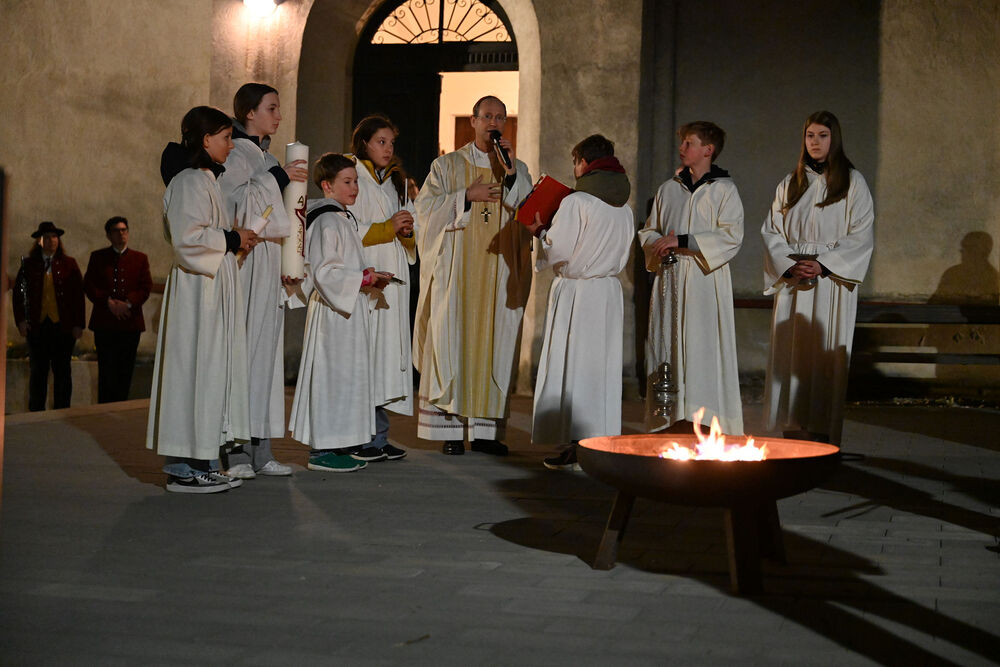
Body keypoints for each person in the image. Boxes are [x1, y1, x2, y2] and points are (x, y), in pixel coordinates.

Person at [413, 95, 533, 456]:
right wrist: (466, 195)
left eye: (500, 117)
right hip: (456, 272)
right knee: (452, 342)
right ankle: (451, 431)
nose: (494, 123)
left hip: (497, 273)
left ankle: (485, 434)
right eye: (488, 116)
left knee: (494, 345)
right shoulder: (446, 165)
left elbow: (528, 209)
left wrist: (511, 177)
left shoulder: (516, 167)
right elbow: (425, 212)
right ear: (474, 121)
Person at [148, 106, 257, 494]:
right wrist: (231, 238)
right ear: (206, 139)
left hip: (211, 289)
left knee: (209, 373)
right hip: (197, 294)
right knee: (194, 371)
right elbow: (187, 240)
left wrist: (234, 240)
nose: (231, 145)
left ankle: (204, 462)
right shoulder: (190, 180)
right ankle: (183, 468)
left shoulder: (205, 179)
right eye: (226, 137)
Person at [761, 110, 874, 445]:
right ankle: (792, 432)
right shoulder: (790, 183)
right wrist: (789, 263)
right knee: (791, 355)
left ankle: (822, 439)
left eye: (822, 135)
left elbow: (861, 234)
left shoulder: (852, 182)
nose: (815, 142)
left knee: (824, 357)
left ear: (833, 139)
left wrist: (824, 265)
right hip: (795, 281)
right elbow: (772, 231)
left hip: (831, 283)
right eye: (810, 135)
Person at [525, 135, 634, 471]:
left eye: (575, 162)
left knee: (575, 369)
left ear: (584, 163)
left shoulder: (577, 202)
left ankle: (578, 446)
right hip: (607, 293)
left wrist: (540, 232)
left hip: (579, 293)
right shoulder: (624, 206)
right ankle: (598, 443)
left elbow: (559, 249)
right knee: (599, 370)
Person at [216, 82, 305, 479]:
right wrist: (277, 177)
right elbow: (230, 200)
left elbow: (282, 212)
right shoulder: (236, 152)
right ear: (249, 113)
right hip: (246, 260)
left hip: (268, 260)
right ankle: (234, 451)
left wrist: (293, 259)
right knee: (244, 351)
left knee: (265, 355)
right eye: (272, 108)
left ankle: (261, 449)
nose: (279, 116)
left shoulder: (264, 156)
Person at [638, 121, 744, 436]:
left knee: (702, 347)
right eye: (682, 142)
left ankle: (706, 421)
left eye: (689, 143)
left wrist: (683, 240)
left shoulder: (724, 190)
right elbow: (649, 230)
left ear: (708, 150)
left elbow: (732, 237)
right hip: (670, 278)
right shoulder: (668, 189)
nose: (682, 148)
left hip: (703, 279)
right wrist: (658, 243)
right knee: (668, 347)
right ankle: (668, 422)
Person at [288, 153, 392, 472]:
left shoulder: (342, 218)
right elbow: (324, 272)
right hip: (332, 315)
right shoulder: (328, 220)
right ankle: (322, 450)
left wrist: (367, 275)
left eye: (356, 181)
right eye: (347, 182)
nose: (354, 187)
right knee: (331, 378)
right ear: (327, 186)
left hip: (347, 311)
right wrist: (363, 278)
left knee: (346, 378)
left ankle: (341, 443)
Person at [347, 114, 416, 462]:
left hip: (392, 281)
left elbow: (408, 230)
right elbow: (348, 226)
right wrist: (388, 227)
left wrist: (406, 230)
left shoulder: (393, 182)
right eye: (381, 142)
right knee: (367, 354)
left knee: (385, 356)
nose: (388, 149)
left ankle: (379, 436)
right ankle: (360, 437)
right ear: (364, 143)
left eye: (391, 143)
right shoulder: (352, 177)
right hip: (368, 279)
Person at [12, 221, 85, 411]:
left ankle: (62, 411)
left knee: (63, 371)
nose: (51, 240)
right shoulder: (29, 265)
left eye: (54, 237)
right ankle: (36, 413)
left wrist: (78, 324)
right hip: (37, 327)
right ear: (39, 241)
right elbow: (19, 295)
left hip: (63, 326)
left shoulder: (69, 264)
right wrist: (21, 320)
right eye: (46, 237)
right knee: (38, 371)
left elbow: (78, 296)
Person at [83, 216, 152, 403]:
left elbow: (145, 287)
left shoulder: (140, 258)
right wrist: (108, 302)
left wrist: (127, 303)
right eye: (116, 231)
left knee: (125, 371)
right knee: (106, 370)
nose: (121, 234)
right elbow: (89, 285)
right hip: (105, 323)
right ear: (108, 235)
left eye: (124, 230)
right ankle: (104, 409)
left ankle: (121, 408)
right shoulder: (98, 257)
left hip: (130, 323)